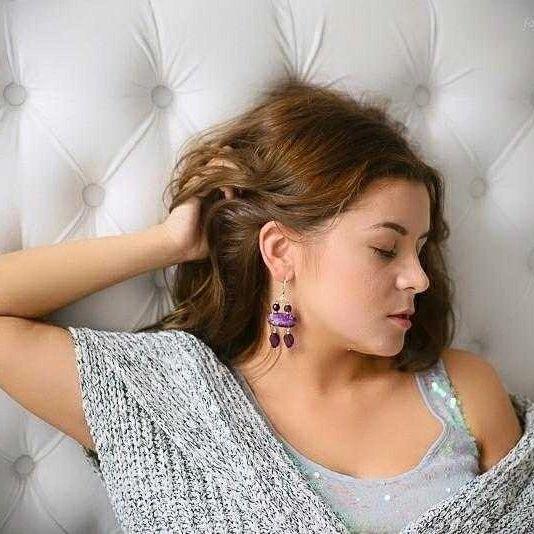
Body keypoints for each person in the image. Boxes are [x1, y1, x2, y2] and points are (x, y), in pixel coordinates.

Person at [0, 77, 525, 533]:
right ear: (280, 250)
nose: (419, 278)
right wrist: (169, 243)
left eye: (420, 249)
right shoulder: (169, 403)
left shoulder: (465, 390)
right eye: (386, 249)